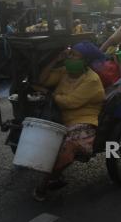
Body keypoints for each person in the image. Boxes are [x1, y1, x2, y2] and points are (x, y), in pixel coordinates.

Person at [34, 41, 106, 201]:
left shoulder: (92, 80)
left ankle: (43, 185)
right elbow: (43, 79)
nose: (70, 57)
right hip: (59, 117)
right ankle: (54, 174)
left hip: (82, 120)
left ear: (85, 61)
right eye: (70, 53)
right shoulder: (65, 72)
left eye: (75, 55)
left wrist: (48, 93)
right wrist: (55, 59)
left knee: (70, 146)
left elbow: (70, 102)